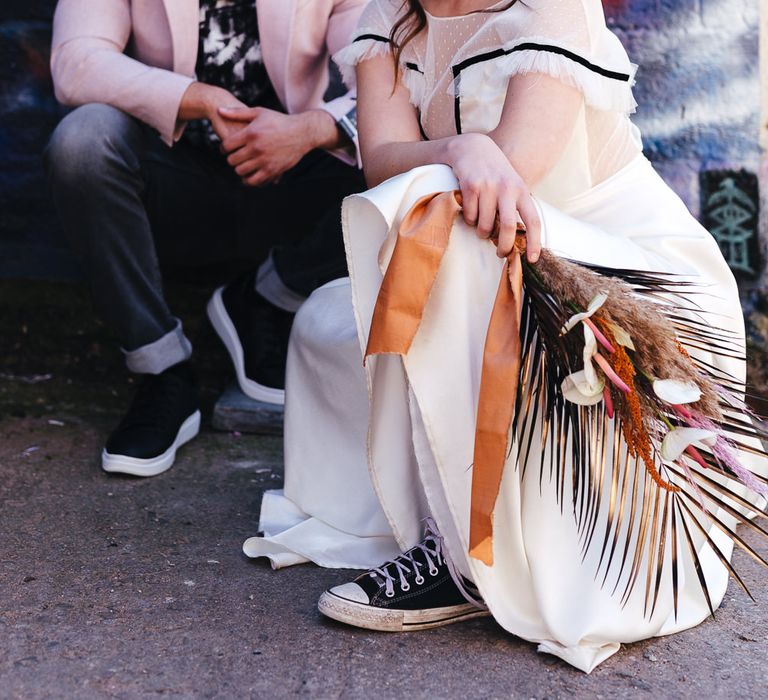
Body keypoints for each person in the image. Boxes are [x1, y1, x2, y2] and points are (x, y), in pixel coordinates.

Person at [244, 0, 768, 673]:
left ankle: (461, 556)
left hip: (628, 270)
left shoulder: (550, 7)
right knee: (326, 321)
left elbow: (508, 188)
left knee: (454, 224)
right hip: (497, 254)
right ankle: (425, 507)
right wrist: (462, 146)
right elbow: (382, 164)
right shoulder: (388, 19)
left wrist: (465, 161)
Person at [43, 0, 367, 477]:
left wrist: (307, 131)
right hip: (174, 179)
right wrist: (195, 97)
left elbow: (392, 77)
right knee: (82, 143)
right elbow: (75, 62)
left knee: (407, 140)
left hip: (297, 178)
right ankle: (162, 371)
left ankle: (268, 298)